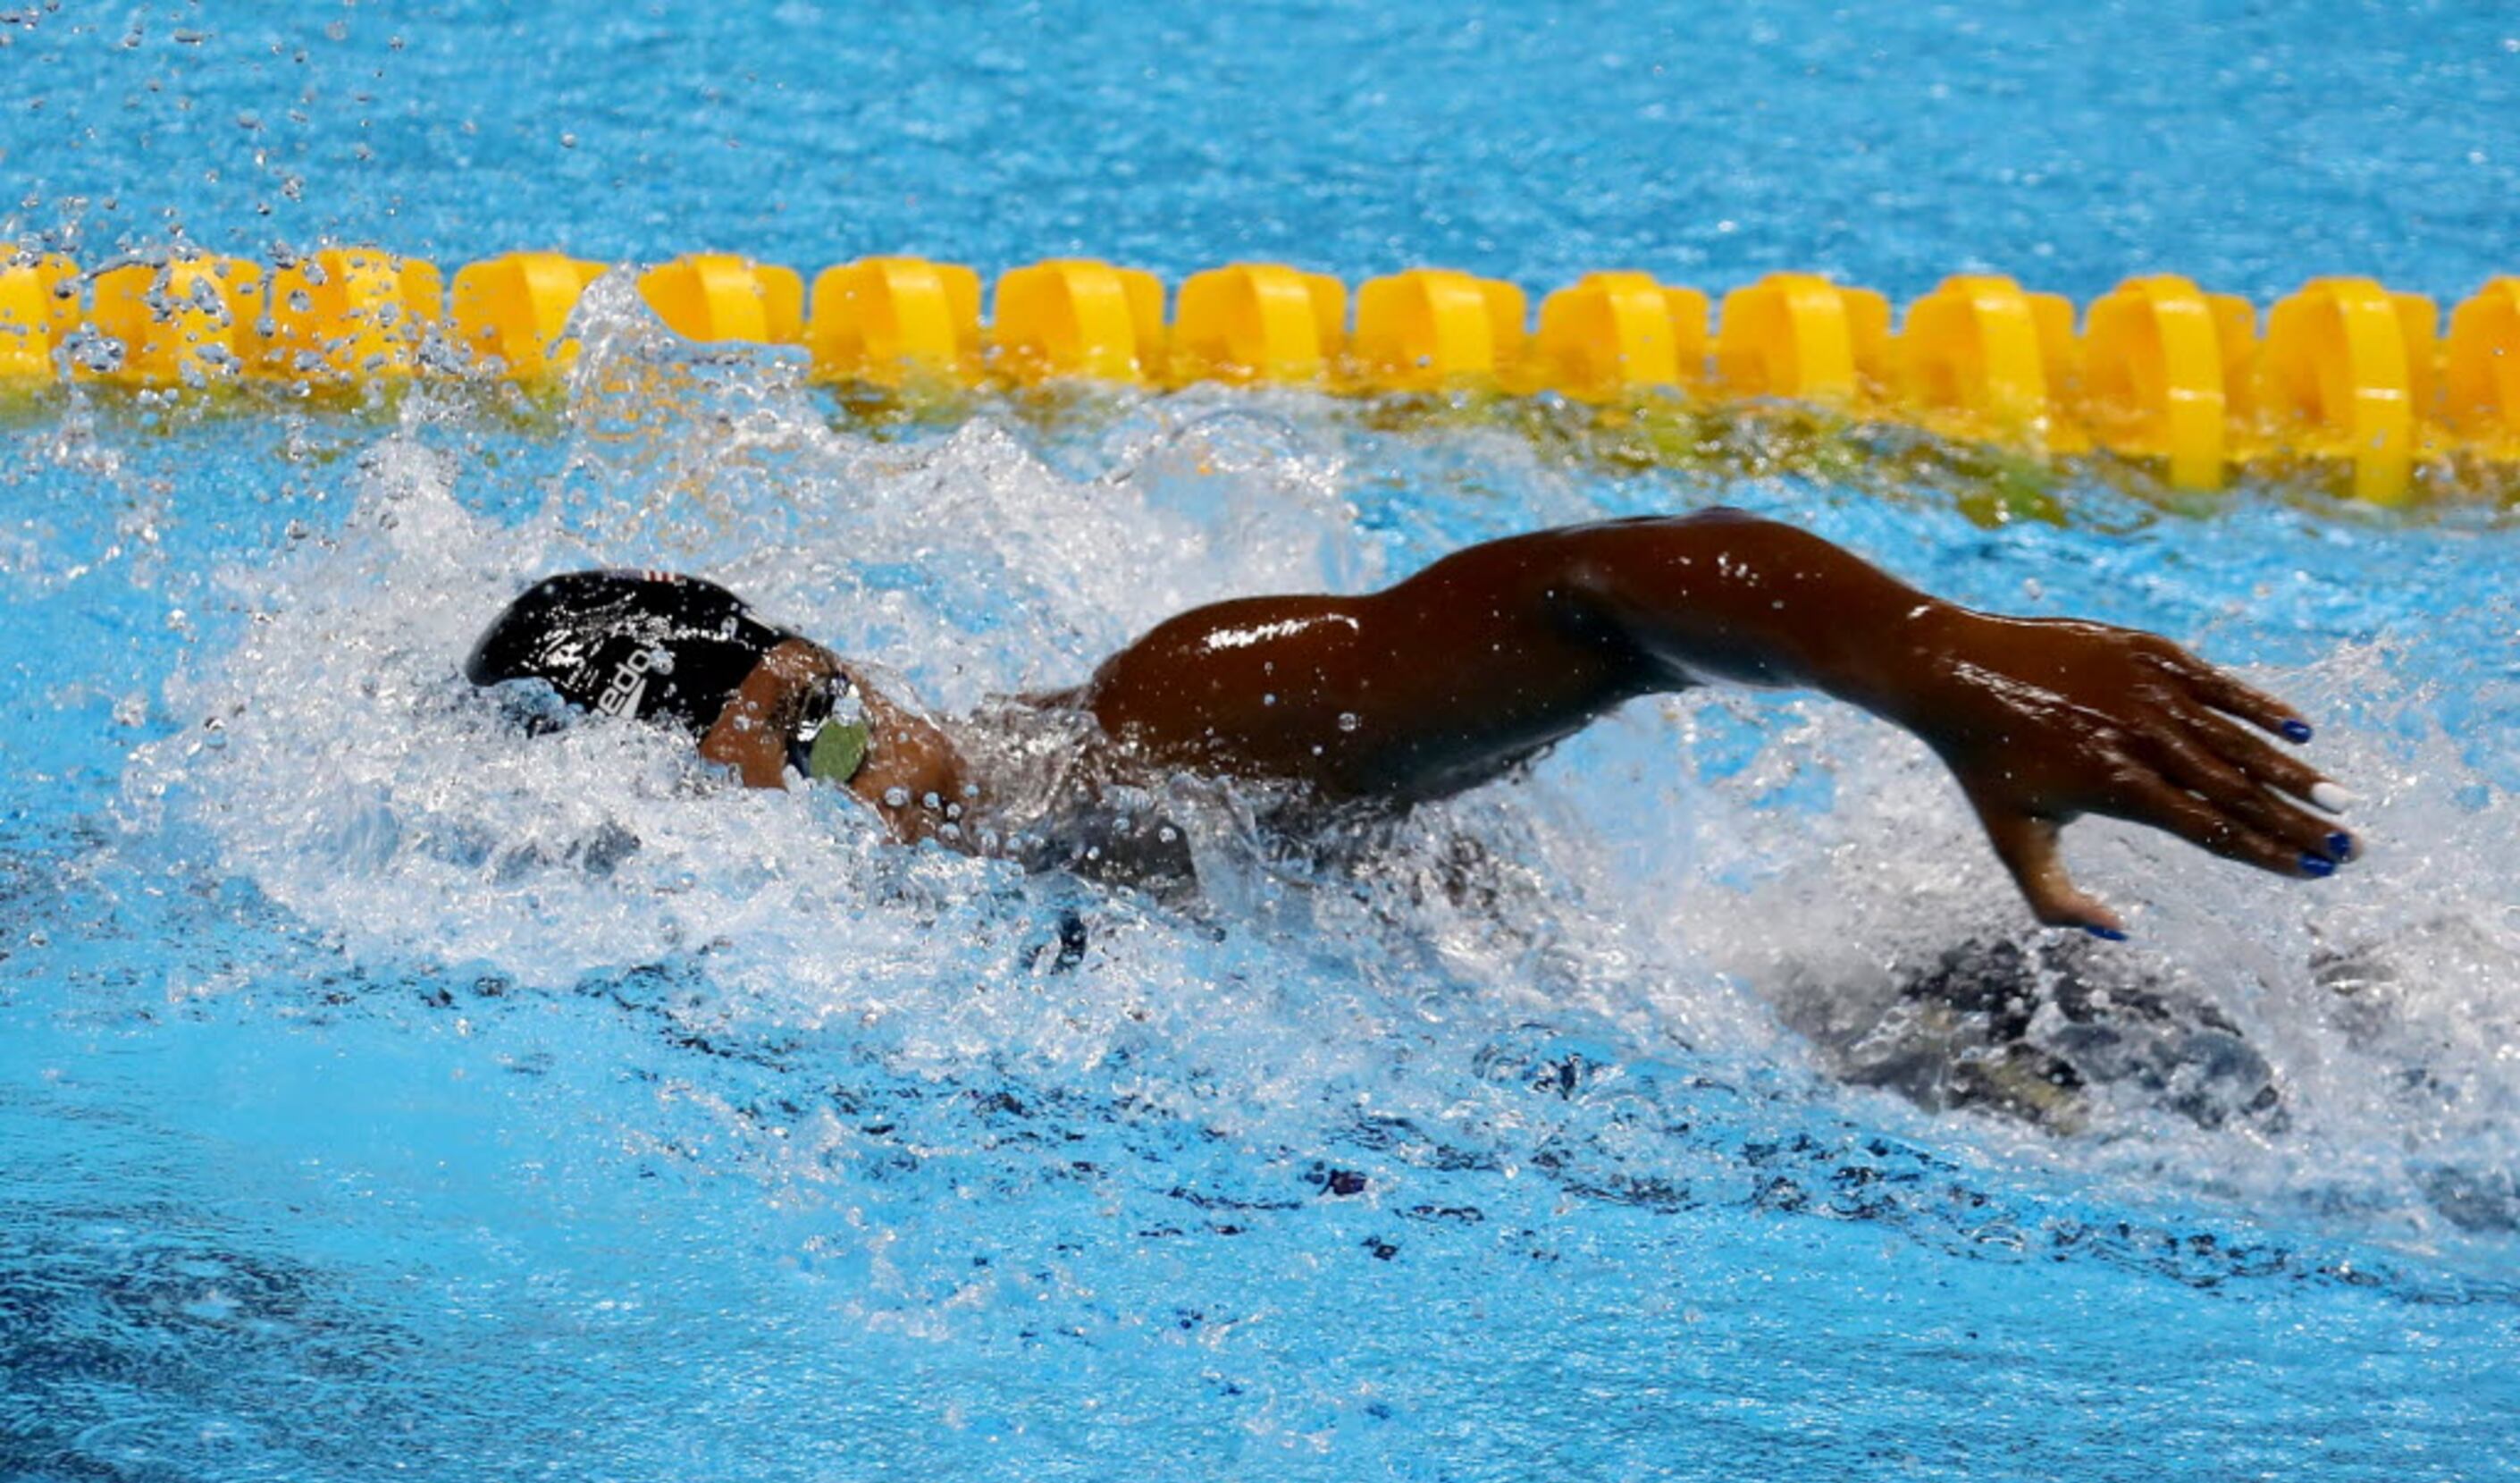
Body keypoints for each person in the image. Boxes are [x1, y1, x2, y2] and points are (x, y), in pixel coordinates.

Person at [465, 508, 2356, 938]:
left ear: (855, 676)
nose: (863, 803)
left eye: (825, 739)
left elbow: (1600, 594)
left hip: (1945, 1028)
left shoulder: (1163, 730)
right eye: (779, 801)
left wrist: (1938, 662)